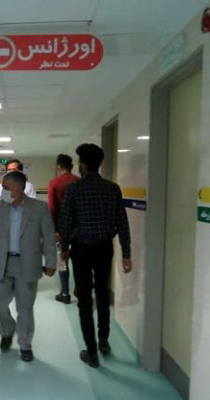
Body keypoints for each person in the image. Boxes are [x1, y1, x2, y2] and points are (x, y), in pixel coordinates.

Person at [58, 143, 132, 369]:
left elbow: (66, 220)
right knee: (102, 293)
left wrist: (64, 248)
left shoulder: (74, 188)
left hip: (81, 249)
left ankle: (91, 352)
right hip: (104, 248)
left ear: (83, 165)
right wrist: (126, 253)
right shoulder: (112, 188)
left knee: (84, 300)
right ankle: (104, 340)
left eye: (80, 162)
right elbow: (122, 222)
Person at [0, 171, 56, 362]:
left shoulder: (39, 208)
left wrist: (50, 261)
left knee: (25, 308)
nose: (3, 191)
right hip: (2, 263)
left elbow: (49, 237)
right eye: (2, 187)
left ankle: (25, 344)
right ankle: (7, 330)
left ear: (20, 188)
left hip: (27, 264)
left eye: (6, 187)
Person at [47, 154, 80, 304]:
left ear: (58, 166)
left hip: (61, 227)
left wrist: (54, 230)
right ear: (72, 166)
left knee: (62, 260)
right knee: (79, 260)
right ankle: (79, 289)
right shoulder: (79, 181)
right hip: (79, 227)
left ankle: (65, 292)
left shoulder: (54, 183)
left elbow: (52, 208)